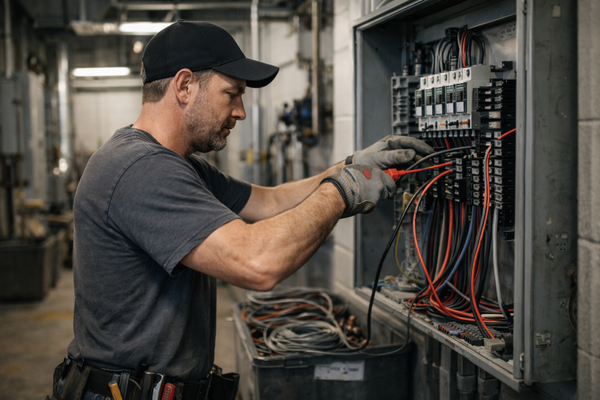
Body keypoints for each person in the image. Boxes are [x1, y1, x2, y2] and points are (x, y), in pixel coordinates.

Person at [48, 20, 433, 400]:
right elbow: (258, 263)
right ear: (184, 86)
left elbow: (269, 201)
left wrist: (347, 167)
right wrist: (341, 192)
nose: (241, 112)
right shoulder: (141, 169)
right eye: (231, 94)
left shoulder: (179, 165)